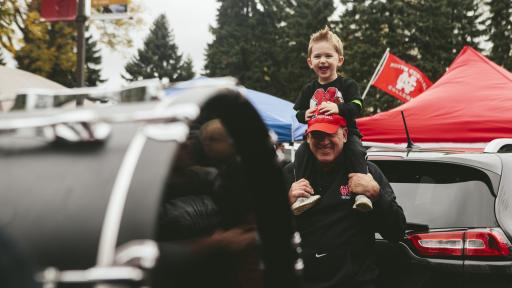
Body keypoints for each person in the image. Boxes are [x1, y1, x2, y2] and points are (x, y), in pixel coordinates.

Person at [284, 112, 406, 288]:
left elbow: (396, 231)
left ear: (345, 134)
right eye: (317, 135)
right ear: (308, 137)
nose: (324, 141)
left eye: (330, 134)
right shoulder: (291, 174)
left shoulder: (367, 173)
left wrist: (377, 196)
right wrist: (285, 204)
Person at [293, 26, 371, 213]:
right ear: (310, 62)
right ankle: (303, 194)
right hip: (316, 134)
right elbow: (297, 113)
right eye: (318, 56)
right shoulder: (308, 89)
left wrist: (338, 108)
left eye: (328, 56)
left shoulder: (348, 85)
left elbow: (358, 107)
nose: (323, 61)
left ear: (340, 60)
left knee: (356, 151)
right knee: (302, 152)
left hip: (346, 134)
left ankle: (362, 193)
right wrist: (305, 115)